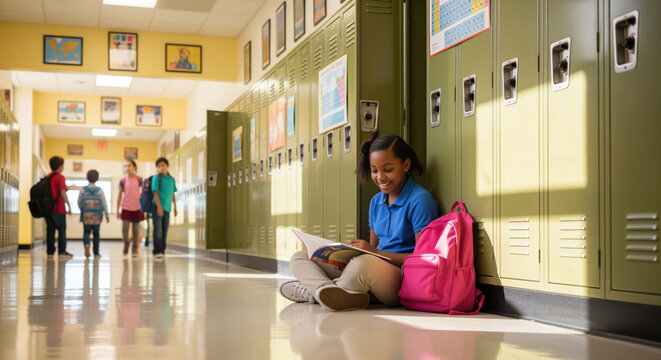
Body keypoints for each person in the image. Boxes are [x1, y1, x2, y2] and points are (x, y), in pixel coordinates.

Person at [279, 132, 440, 311]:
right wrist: (347, 255)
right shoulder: (376, 202)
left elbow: (423, 260)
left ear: (406, 165)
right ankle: (327, 291)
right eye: (374, 170)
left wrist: (371, 252)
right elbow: (373, 249)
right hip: (373, 271)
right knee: (300, 257)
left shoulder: (420, 201)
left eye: (388, 169)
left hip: (403, 279)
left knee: (362, 265)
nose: (380, 177)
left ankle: (314, 293)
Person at [45, 156, 73, 259]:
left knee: (50, 230)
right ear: (60, 166)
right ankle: (61, 251)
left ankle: (50, 252)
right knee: (62, 230)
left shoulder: (48, 177)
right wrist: (69, 206)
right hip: (58, 209)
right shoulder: (60, 177)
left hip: (48, 209)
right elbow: (62, 192)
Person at [78, 169, 109, 259]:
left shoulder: (83, 190)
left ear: (87, 178)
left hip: (86, 215)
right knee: (96, 234)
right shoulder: (100, 190)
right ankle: (96, 253)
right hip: (96, 217)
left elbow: (79, 202)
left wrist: (83, 211)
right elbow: (104, 204)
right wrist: (106, 215)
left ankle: (87, 244)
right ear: (97, 178)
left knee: (86, 232)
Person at [116, 159, 145, 258]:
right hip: (126, 207)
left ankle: (135, 247)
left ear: (134, 167)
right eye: (125, 166)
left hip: (137, 208)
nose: (127, 168)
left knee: (136, 230)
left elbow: (144, 194)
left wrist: (144, 209)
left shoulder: (139, 180)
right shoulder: (123, 180)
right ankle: (127, 243)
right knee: (125, 228)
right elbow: (119, 195)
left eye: (129, 166)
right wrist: (117, 210)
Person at [151, 157, 177, 261]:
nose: (161, 167)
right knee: (158, 230)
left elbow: (173, 193)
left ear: (167, 166)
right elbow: (155, 193)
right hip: (157, 207)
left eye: (163, 165)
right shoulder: (156, 178)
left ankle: (162, 251)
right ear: (157, 168)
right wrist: (159, 207)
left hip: (167, 208)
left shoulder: (171, 179)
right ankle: (156, 251)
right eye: (159, 166)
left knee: (165, 230)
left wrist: (175, 207)